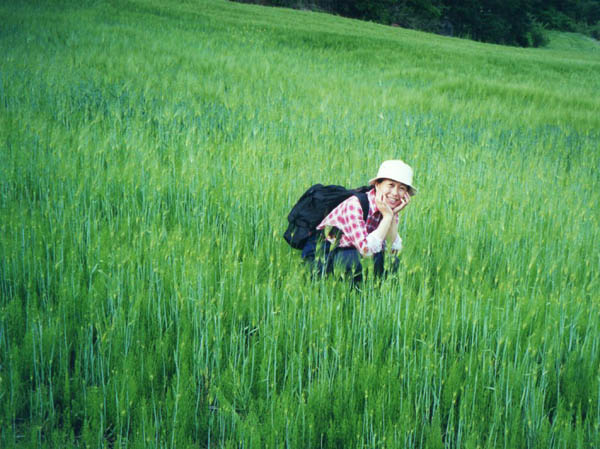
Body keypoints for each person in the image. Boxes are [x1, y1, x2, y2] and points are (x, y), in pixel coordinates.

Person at [301, 159, 416, 284]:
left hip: (349, 252)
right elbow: (366, 251)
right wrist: (388, 218)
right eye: (391, 185)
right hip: (322, 255)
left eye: (402, 188)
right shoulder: (355, 204)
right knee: (373, 260)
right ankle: (339, 288)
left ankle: (365, 295)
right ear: (377, 185)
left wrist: (392, 216)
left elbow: (392, 251)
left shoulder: (388, 209)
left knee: (391, 262)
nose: (395, 193)